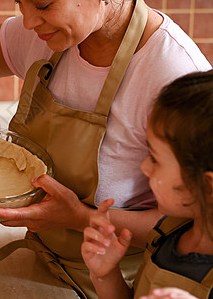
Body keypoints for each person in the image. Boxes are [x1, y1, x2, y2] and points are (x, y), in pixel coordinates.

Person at [0, 0, 211, 297]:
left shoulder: (174, 72)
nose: (27, 21)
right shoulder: (50, 33)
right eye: (19, 2)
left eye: (42, 4)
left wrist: (80, 217)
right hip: (41, 260)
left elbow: (195, 220)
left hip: (124, 281)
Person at [81, 70, 213, 299]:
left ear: (208, 186)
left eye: (155, 159)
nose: (145, 167)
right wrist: (106, 275)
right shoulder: (169, 230)